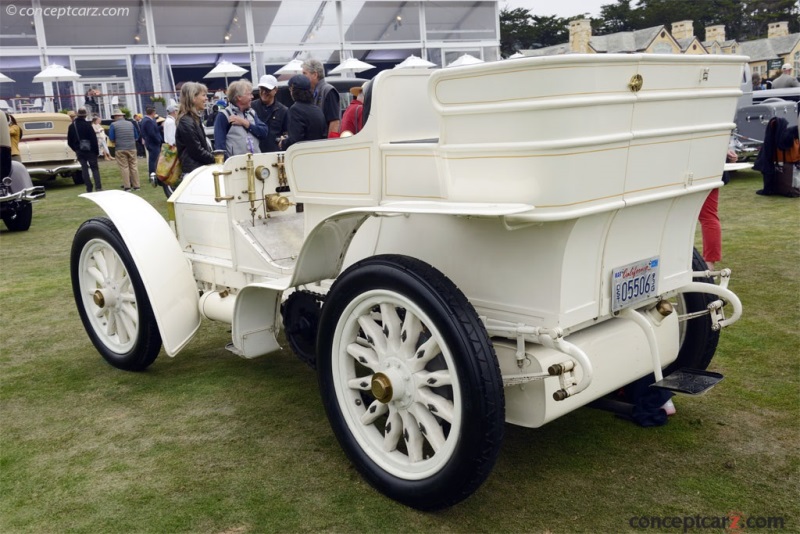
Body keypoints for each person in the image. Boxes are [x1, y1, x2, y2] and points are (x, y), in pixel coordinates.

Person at [698, 149, 737, 270]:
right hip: (709, 169)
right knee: (708, 217)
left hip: (704, 170)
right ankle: (709, 262)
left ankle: (709, 262)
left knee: (708, 217)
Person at [213, 79, 268, 158]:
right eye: (249, 94)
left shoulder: (252, 113)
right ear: (239, 97)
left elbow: (264, 133)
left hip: (256, 163)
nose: (252, 97)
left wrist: (246, 123)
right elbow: (220, 147)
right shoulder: (224, 116)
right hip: (235, 166)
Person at [175, 82, 215, 177]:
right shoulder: (186, 121)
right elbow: (196, 150)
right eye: (203, 95)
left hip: (198, 170)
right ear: (193, 98)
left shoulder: (193, 119)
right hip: (194, 173)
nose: (206, 98)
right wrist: (216, 159)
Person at [278, 74, 327, 151]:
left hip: (303, 156)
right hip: (318, 153)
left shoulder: (295, 109)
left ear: (292, 90)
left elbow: (295, 140)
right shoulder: (317, 109)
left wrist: (283, 142)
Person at [301, 59, 340, 138]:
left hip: (325, 145)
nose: (302, 77)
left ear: (315, 75)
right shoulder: (314, 91)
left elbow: (334, 122)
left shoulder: (328, 91)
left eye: (304, 73)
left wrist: (329, 145)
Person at [251, 74, 288, 153]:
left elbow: (287, 133)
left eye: (267, 89)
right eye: (262, 89)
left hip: (274, 153)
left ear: (275, 90)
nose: (264, 92)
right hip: (255, 152)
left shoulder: (283, 110)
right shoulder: (251, 107)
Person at [67, 107, 102, 192]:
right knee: (94, 168)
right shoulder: (88, 125)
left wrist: (76, 149)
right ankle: (98, 187)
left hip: (79, 150)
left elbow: (69, 141)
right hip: (90, 151)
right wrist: (96, 151)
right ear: (85, 116)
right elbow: (93, 139)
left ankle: (88, 187)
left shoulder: (72, 126)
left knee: (84, 168)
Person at [108, 108, 140, 191]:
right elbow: (136, 136)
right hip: (132, 147)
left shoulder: (113, 125)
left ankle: (127, 186)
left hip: (120, 148)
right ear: (122, 116)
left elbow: (111, 138)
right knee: (133, 166)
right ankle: (136, 186)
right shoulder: (131, 124)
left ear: (116, 116)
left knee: (124, 167)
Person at [140, 106, 163, 178]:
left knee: (153, 159)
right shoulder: (148, 121)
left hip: (151, 143)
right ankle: (153, 175)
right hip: (153, 143)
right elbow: (152, 133)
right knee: (154, 160)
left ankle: (153, 174)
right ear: (153, 113)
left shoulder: (146, 120)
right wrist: (158, 140)